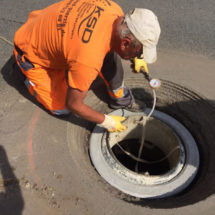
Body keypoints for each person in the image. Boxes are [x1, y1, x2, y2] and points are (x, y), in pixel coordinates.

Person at [13, 0, 160, 132]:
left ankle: (120, 98)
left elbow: (107, 44)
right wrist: (106, 121)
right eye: (139, 52)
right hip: (30, 51)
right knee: (62, 108)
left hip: (51, 30)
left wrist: (135, 57)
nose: (139, 56)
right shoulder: (88, 60)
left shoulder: (114, 11)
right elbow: (74, 105)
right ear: (126, 43)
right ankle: (22, 72)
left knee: (109, 50)